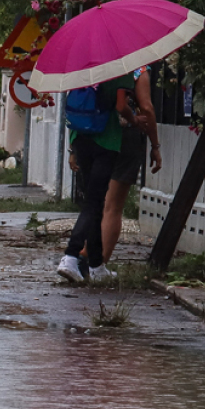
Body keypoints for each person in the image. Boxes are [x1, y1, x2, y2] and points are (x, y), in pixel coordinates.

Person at [57, 74, 138, 283]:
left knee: (93, 202)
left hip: (81, 138)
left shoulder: (83, 71)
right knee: (94, 203)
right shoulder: (120, 71)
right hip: (106, 140)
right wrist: (135, 119)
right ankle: (70, 256)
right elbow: (121, 106)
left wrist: (72, 148)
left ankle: (96, 265)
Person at [100, 65, 162, 265]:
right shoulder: (138, 69)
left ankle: (79, 254)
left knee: (95, 202)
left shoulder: (98, 64)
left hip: (95, 135)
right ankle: (98, 263)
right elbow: (147, 108)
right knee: (113, 207)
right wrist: (154, 144)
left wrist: (73, 148)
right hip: (124, 137)